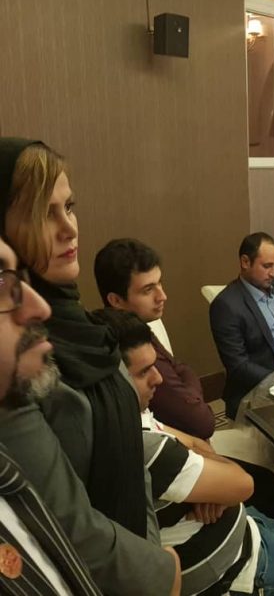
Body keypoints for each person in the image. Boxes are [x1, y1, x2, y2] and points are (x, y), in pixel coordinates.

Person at [101, 308, 274, 596]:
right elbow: (242, 483)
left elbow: (199, 443)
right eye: (143, 372)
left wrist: (216, 490)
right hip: (234, 569)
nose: (158, 378)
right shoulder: (143, 446)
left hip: (239, 526)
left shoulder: (137, 416)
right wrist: (223, 488)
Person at [0, 235, 181, 595]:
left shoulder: (100, 337)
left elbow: (135, 466)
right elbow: (76, 528)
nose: (39, 308)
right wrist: (157, 571)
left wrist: (151, 559)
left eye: (69, 209)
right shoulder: (43, 389)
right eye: (2, 283)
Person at [94, 238, 215, 439]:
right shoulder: (132, 350)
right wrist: (191, 392)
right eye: (148, 290)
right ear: (116, 300)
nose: (162, 296)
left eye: (159, 283)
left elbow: (181, 367)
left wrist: (185, 382)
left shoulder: (141, 327)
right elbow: (203, 422)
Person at [209, 232, 274, 419]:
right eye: (267, 266)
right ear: (245, 262)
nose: (273, 273)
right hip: (265, 390)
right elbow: (239, 366)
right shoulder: (226, 305)